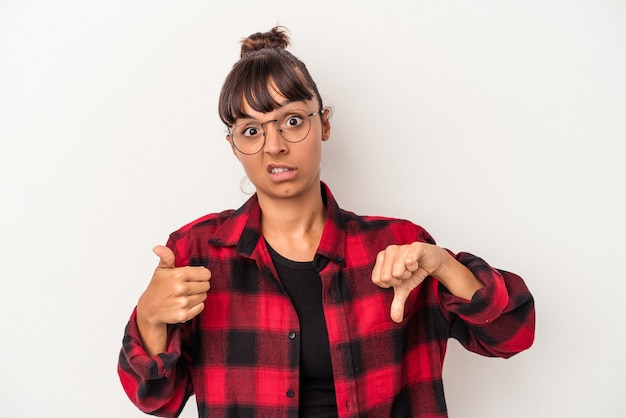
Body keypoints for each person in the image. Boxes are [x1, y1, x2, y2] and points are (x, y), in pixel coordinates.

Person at [118, 26, 535, 418]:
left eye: (293, 121)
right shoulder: (198, 253)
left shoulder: (400, 249)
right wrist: (150, 318)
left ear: (326, 124)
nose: (275, 146)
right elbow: (157, 399)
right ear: (234, 146)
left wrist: (444, 265)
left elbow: (511, 333)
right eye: (251, 130)